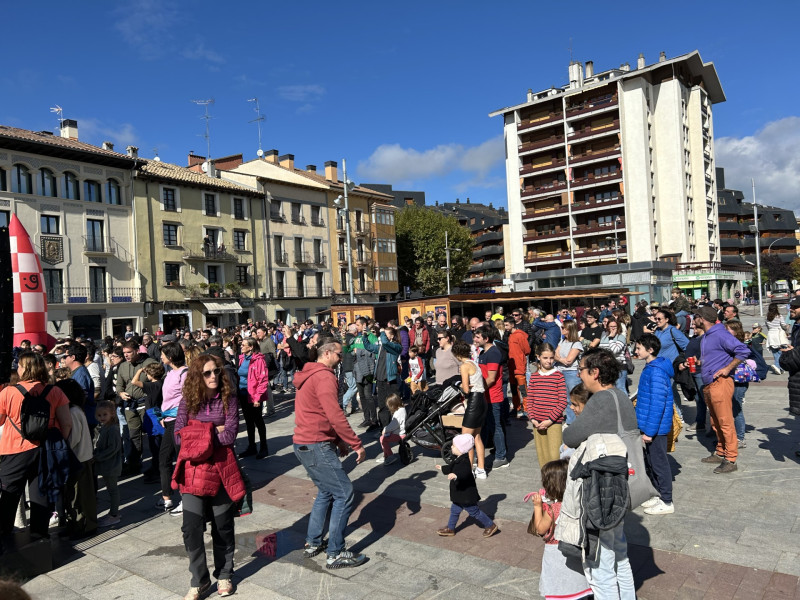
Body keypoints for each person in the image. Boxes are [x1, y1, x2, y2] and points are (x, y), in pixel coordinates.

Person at [562, 349, 636, 599]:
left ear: (595, 372)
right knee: (620, 553)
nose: (579, 375)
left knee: (600, 562)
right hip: (621, 484)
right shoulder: (620, 396)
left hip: (603, 487)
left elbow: (570, 437)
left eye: (581, 370)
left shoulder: (601, 399)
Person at [293, 336, 368, 569]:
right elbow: (334, 414)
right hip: (315, 444)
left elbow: (320, 413)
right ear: (326, 353)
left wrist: (338, 441)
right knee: (344, 493)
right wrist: (356, 443)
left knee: (326, 491)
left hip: (305, 442)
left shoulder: (310, 373)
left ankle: (313, 542)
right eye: (338, 354)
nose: (341, 358)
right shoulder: (324, 376)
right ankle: (335, 552)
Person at [173, 354, 242, 599]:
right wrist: (213, 429)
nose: (214, 376)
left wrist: (198, 433)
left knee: (223, 527)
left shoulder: (229, 399)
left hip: (223, 470)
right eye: (207, 373)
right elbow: (179, 437)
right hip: (192, 472)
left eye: (217, 371)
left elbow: (230, 435)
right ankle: (199, 580)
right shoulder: (188, 400)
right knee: (191, 528)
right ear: (197, 376)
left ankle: (224, 575)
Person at [0, 352, 72, 540]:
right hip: (46, 449)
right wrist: (58, 443)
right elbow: (67, 423)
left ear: (24, 369)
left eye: (20, 365)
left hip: (13, 450)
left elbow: (0, 420)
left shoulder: (8, 392)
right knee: (41, 492)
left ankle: (4, 535)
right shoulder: (55, 391)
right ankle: (39, 535)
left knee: (9, 495)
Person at [693, 306, 749, 474]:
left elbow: (743, 350)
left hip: (721, 383)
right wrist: (702, 364)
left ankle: (731, 459)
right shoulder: (707, 336)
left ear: (702, 319)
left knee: (725, 421)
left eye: (695, 317)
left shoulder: (720, 334)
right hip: (710, 384)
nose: (693, 320)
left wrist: (727, 369)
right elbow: (716, 356)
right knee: (715, 421)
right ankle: (720, 451)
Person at [527, 459, 592, 600]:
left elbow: (540, 529)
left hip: (557, 554)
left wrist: (538, 507)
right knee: (578, 581)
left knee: (561, 584)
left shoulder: (553, 509)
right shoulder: (580, 502)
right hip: (577, 547)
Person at [634, 334, 675, 515]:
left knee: (659, 463)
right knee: (651, 461)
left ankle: (667, 501)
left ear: (650, 350)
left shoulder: (657, 371)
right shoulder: (650, 367)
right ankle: (658, 494)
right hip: (649, 424)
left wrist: (649, 431)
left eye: (638, 348)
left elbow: (657, 404)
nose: (636, 351)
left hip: (656, 427)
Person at [55, 378, 97, 539]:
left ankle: (84, 526)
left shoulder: (72, 412)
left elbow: (74, 438)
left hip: (79, 459)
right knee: (76, 496)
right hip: (82, 457)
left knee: (80, 497)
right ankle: (76, 525)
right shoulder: (76, 410)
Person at [435, 434, 498, 538]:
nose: (451, 447)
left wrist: (456, 475)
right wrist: (443, 468)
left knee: (474, 512)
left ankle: (490, 525)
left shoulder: (464, 461)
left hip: (466, 495)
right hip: (459, 494)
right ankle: (451, 528)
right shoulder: (458, 458)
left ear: (461, 449)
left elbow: (465, 473)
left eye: (454, 446)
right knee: (455, 510)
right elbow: (451, 467)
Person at [157, 342, 187, 514]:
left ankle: (186, 498)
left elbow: (187, 398)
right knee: (164, 458)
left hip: (179, 420)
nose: (161, 357)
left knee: (181, 459)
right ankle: (167, 497)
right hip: (167, 420)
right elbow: (166, 397)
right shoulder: (169, 373)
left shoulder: (185, 373)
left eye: (163, 354)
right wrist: (163, 414)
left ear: (170, 356)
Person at [526, 343, 567, 469]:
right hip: (537, 422)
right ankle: (546, 486)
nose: (549, 361)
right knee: (542, 458)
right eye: (545, 358)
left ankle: (557, 487)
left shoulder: (558, 376)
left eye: (551, 358)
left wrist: (549, 420)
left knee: (554, 458)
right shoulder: (534, 377)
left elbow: (563, 401)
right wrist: (532, 418)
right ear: (538, 357)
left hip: (553, 422)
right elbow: (530, 400)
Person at [474, 324, 509, 471]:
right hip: (485, 396)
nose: (474, 339)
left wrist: (479, 390)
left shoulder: (493, 353)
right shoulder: (483, 353)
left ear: (486, 338)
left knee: (496, 427)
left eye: (477, 337)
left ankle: (501, 457)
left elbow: (492, 378)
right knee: (486, 426)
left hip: (493, 396)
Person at [452, 340, 487, 479]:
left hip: (473, 401)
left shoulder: (464, 366)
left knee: (466, 439)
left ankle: (468, 470)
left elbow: (466, 389)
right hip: (482, 400)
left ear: (457, 354)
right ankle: (481, 469)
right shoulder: (474, 363)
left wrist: (460, 384)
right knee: (477, 437)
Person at [363, 326, 402, 429]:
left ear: (392, 336)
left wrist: (382, 333)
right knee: (382, 405)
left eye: (386, 334)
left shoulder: (396, 346)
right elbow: (369, 347)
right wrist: (365, 336)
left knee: (394, 404)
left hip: (390, 380)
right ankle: (384, 427)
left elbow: (385, 342)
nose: (383, 336)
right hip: (380, 379)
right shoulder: (381, 347)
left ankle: (397, 426)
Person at [237, 338, 269, 459]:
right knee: (249, 422)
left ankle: (264, 447)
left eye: (243, 345)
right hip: (243, 394)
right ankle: (251, 447)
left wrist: (257, 398)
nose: (241, 346)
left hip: (254, 396)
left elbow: (263, 380)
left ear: (251, 347)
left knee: (258, 421)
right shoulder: (242, 359)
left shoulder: (259, 360)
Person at [94, 400, 123, 528]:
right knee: (111, 489)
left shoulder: (113, 429)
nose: (102, 418)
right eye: (99, 415)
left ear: (112, 414)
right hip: (106, 465)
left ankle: (114, 515)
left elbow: (113, 448)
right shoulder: (103, 428)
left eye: (104, 415)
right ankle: (114, 513)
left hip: (111, 465)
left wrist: (97, 457)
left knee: (113, 490)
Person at [505, 316, 531, 419]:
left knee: (523, 389)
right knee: (514, 390)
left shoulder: (519, 335)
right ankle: (517, 408)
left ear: (512, 325)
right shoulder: (510, 336)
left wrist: (519, 357)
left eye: (507, 325)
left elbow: (527, 350)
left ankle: (526, 410)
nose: (505, 327)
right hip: (512, 368)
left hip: (519, 367)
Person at [376, 394, 406, 464]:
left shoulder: (399, 413)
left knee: (382, 439)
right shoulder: (402, 409)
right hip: (399, 432)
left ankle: (389, 455)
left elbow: (394, 425)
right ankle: (386, 455)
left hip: (399, 434)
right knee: (383, 438)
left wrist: (385, 429)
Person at [600, 319, 628, 393]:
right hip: (608, 367)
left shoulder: (621, 337)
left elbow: (615, 350)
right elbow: (601, 352)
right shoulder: (604, 338)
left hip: (619, 366)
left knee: (620, 388)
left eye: (614, 326)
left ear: (618, 327)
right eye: (611, 326)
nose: (612, 328)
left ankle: (625, 404)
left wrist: (611, 338)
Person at [766, 302, 788, 375]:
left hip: (771, 335)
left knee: (775, 352)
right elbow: (783, 325)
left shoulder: (767, 317)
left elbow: (767, 326)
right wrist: (786, 327)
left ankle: (780, 368)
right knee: (781, 352)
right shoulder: (779, 316)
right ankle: (777, 366)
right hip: (778, 335)